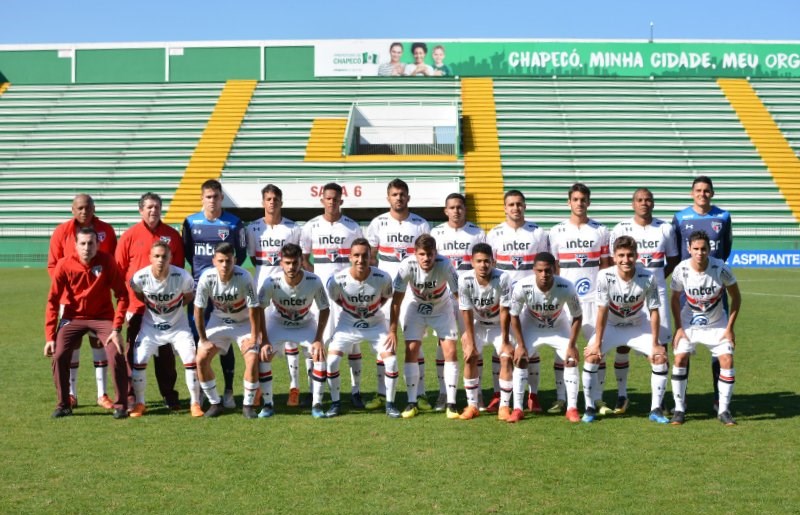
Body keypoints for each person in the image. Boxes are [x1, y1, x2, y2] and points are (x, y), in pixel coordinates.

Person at [581, 236, 669, 424]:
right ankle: (589, 408)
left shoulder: (648, 277)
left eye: (630, 255)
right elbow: (602, 311)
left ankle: (656, 409)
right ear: (614, 257)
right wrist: (597, 342)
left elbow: (654, 311)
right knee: (592, 357)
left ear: (636, 256)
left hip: (637, 326)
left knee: (659, 357)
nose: (625, 259)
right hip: (612, 326)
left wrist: (655, 344)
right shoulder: (605, 275)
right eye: (621, 255)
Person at [45, 227, 129, 419]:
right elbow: (53, 300)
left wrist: (116, 328)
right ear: (75, 246)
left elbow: (122, 295)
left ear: (97, 244)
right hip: (73, 317)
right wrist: (50, 336)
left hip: (102, 318)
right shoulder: (64, 264)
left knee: (116, 351)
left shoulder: (107, 261)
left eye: (91, 243)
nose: (86, 247)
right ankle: (64, 404)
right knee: (58, 355)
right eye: (82, 243)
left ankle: (121, 405)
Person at [609, 188, 679, 414]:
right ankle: (622, 395)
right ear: (633, 204)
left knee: (661, 344)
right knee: (623, 342)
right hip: (627, 294)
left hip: (656, 293)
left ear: (653, 203)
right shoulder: (621, 228)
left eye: (648, 200)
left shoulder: (665, 228)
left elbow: (674, 259)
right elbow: (614, 261)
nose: (644, 203)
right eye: (639, 200)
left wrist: (654, 280)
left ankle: (661, 399)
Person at [365, 178, 431, 410]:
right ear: (388, 198)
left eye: (402, 194)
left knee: (415, 344)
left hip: (413, 294)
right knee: (385, 342)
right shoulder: (378, 223)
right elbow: (371, 256)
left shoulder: (421, 224)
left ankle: (420, 394)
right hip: (385, 294)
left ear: (408, 197)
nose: (399, 198)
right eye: (394, 194)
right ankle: (382, 393)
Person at [47, 193, 117, 410]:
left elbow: (112, 263)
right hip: (70, 302)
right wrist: (69, 289)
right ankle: (71, 394)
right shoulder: (61, 232)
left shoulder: (107, 230)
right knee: (72, 345)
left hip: (99, 301)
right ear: (72, 210)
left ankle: (102, 394)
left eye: (87, 207)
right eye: (79, 208)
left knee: (100, 344)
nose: (84, 211)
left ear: (94, 208)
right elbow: (53, 266)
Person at [182, 179, 247, 409]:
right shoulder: (190, 222)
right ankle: (201, 393)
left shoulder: (233, 223)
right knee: (200, 341)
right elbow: (189, 254)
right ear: (202, 198)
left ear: (221, 198)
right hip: (201, 290)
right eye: (208, 196)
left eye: (216, 196)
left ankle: (229, 391)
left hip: (226, 290)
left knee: (226, 340)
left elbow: (240, 253)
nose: (212, 200)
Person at [116, 192, 183, 411]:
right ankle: (132, 396)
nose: (153, 210)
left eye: (156, 206)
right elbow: (119, 272)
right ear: (140, 210)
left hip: (164, 309)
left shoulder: (172, 236)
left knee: (165, 355)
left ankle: (169, 395)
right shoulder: (129, 236)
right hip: (136, 307)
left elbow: (179, 270)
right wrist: (126, 303)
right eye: (148, 207)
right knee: (133, 352)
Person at [671, 176, 733, 412]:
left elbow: (725, 248)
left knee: (720, 346)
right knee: (683, 346)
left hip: (714, 287)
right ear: (691, 193)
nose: (702, 194)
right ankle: (681, 400)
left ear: (712, 193)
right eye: (698, 190)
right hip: (688, 290)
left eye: (707, 191)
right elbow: (677, 252)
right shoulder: (680, 217)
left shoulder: (723, 216)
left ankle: (719, 398)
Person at [300, 182, 365, 408]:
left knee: (354, 343)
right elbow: (303, 258)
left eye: (336, 199)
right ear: (322, 200)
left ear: (341, 201)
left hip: (347, 295)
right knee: (317, 341)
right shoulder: (310, 226)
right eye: (328, 198)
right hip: (320, 296)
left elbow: (360, 258)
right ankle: (312, 390)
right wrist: (315, 278)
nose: (332, 202)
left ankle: (355, 391)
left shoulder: (352, 227)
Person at [549, 183, 612, 415]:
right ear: (569, 202)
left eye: (583, 199)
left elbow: (606, 267)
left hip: (594, 300)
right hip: (566, 301)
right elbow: (554, 268)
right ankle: (561, 398)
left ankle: (597, 399)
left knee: (597, 351)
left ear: (589, 202)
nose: (579, 203)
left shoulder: (601, 230)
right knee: (563, 351)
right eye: (575, 199)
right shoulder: (556, 231)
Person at [669, 231, 741, 426]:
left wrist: (729, 328)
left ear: (709, 250)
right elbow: (674, 299)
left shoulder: (721, 268)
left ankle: (724, 410)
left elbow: (736, 297)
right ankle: (679, 409)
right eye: (696, 249)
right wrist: (679, 328)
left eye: (703, 249)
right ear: (689, 249)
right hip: (688, 324)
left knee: (727, 359)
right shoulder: (681, 269)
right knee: (680, 357)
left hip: (717, 324)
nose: (700, 253)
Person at [486, 189, 548, 413]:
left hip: (531, 299)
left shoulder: (538, 233)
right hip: (503, 299)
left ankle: (534, 395)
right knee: (501, 347)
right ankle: (498, 394)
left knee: (532, 347)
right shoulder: (494, 233)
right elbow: (490, 266)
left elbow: (544, 265)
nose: (515, 208)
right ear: (504, 208)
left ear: (525, 206)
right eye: (511, 204)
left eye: (519, 204)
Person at [325, 239, 400, 418]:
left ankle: (390, 404)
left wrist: (373, 312)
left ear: (370, 257)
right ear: (350, 257)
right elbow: (335, 298)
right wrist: (353, 311)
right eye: (356, 255)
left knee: (390, 361)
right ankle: (335, 403)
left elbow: (387, 297)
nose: (360, 260)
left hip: (376, 323)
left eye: (364, 255)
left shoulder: (383, 277)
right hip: (347, 323)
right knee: (332, 362)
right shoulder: (337, 280)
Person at [388, 234, 459, 419]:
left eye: (430, 254)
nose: (426, 258)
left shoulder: (445, 265)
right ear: (415, 254)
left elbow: (459, 295)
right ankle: (412, 401)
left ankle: (451, 404)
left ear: (436, 253)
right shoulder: (406, 266)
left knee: (450, 351)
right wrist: (392, 330)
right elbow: (396, 300)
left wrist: (466, 329)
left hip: (442, 308)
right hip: (416, 307)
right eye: (422, 254)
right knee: (411, 349)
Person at [128, 242, 201, 417]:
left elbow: (188, 297)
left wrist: (172, 312)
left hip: (178, 327)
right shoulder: (140, 277)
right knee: (139, 360)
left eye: (164, 256)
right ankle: (140, 403)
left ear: (170, 258)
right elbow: (139, 294)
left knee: (191, 359)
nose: (160, 260)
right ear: (150, 258)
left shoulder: (183, 277)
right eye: (157, 256)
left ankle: (195, 403)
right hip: (150, 327)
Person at [246, 184, 304, 406]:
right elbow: (253, 259)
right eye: (268, 199)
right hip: (262, 289)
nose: (272, 202)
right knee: (262, 339)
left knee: (291, 339)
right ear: (263, 202)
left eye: (275, 199)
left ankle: (294, 387)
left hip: (288, 290)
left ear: (281, 202)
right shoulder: (253, 229)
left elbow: (295, 259)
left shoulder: (292, 229)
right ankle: (260, 388)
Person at [257, 244, 330, 419]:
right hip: (278, 323)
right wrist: (265, 339)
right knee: (263, 355)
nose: (291, 267)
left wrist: (319, 338)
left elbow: (325, 308)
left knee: (319, 356)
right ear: (281, 262)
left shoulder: (314, 281)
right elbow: (259, 308)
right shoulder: (271, 282)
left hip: (305, 324)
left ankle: (317, 404)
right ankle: (268, 405)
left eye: (295, 263)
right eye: (287, 263)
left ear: (301, 262)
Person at [509, 252, 583, 424]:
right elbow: (514, 315)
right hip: (531, 326)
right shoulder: (522, 286)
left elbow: (577, 316)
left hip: (559, 327)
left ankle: (572, 408)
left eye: (548, 271)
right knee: (521, 359)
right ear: (534, 270)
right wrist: (520, 345)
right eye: (540, 271)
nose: (544, 275)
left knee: (571, 358)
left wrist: (571, 345)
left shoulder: (567, 287)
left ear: (555, 269)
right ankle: (518, 408)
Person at [431, 193, 486, 411]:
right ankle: (444, 393)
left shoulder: (477, 232)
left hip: (470, 297)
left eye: (460, 207)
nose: (456, 211)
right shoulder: (436, 233)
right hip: (444, 297)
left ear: (465, 209)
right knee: (444, 345)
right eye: (452, 207)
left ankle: (478, 393)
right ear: (445, 211)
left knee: (474, 343)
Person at [193, 242, 260, 418]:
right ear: (214, 261)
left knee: (252, 358)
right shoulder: (206, 277)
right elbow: (198, 310)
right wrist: (203, 339)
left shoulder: (245, 277)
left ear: (235, 260)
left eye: (228, 261)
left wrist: (254, 337)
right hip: (218, 321)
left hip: (243, 322)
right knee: (201, 359)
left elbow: (254, 309)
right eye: (221, 260)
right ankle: (215, 403)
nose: (225, 265)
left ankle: (248, 405)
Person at [457, 243, 512, 420]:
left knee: (505, 357)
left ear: (493, 262)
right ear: (472, 262)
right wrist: (470, 339)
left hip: (498, 325)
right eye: (479, 261)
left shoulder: (503, 278)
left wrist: (505, 340)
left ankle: (504, 406)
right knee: (470, 356)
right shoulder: (464, 280)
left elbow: (505, 310)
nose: (483, 265)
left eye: (487, 261)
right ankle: (472, 405)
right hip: (478, 324)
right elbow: (466, 311)